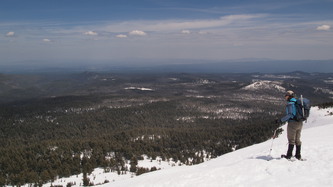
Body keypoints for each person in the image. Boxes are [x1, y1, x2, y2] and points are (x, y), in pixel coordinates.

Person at [277, 90, 303, 160]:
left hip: (293, 123)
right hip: (300, 122)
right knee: (297, 139)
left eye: (286, 96)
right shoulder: (298, 103)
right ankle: (298, 155)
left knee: (291, 139)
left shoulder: (290, 104)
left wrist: (281, 120)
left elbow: (290, 114)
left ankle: (289, 156)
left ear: (288, 96)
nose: (285, 97)